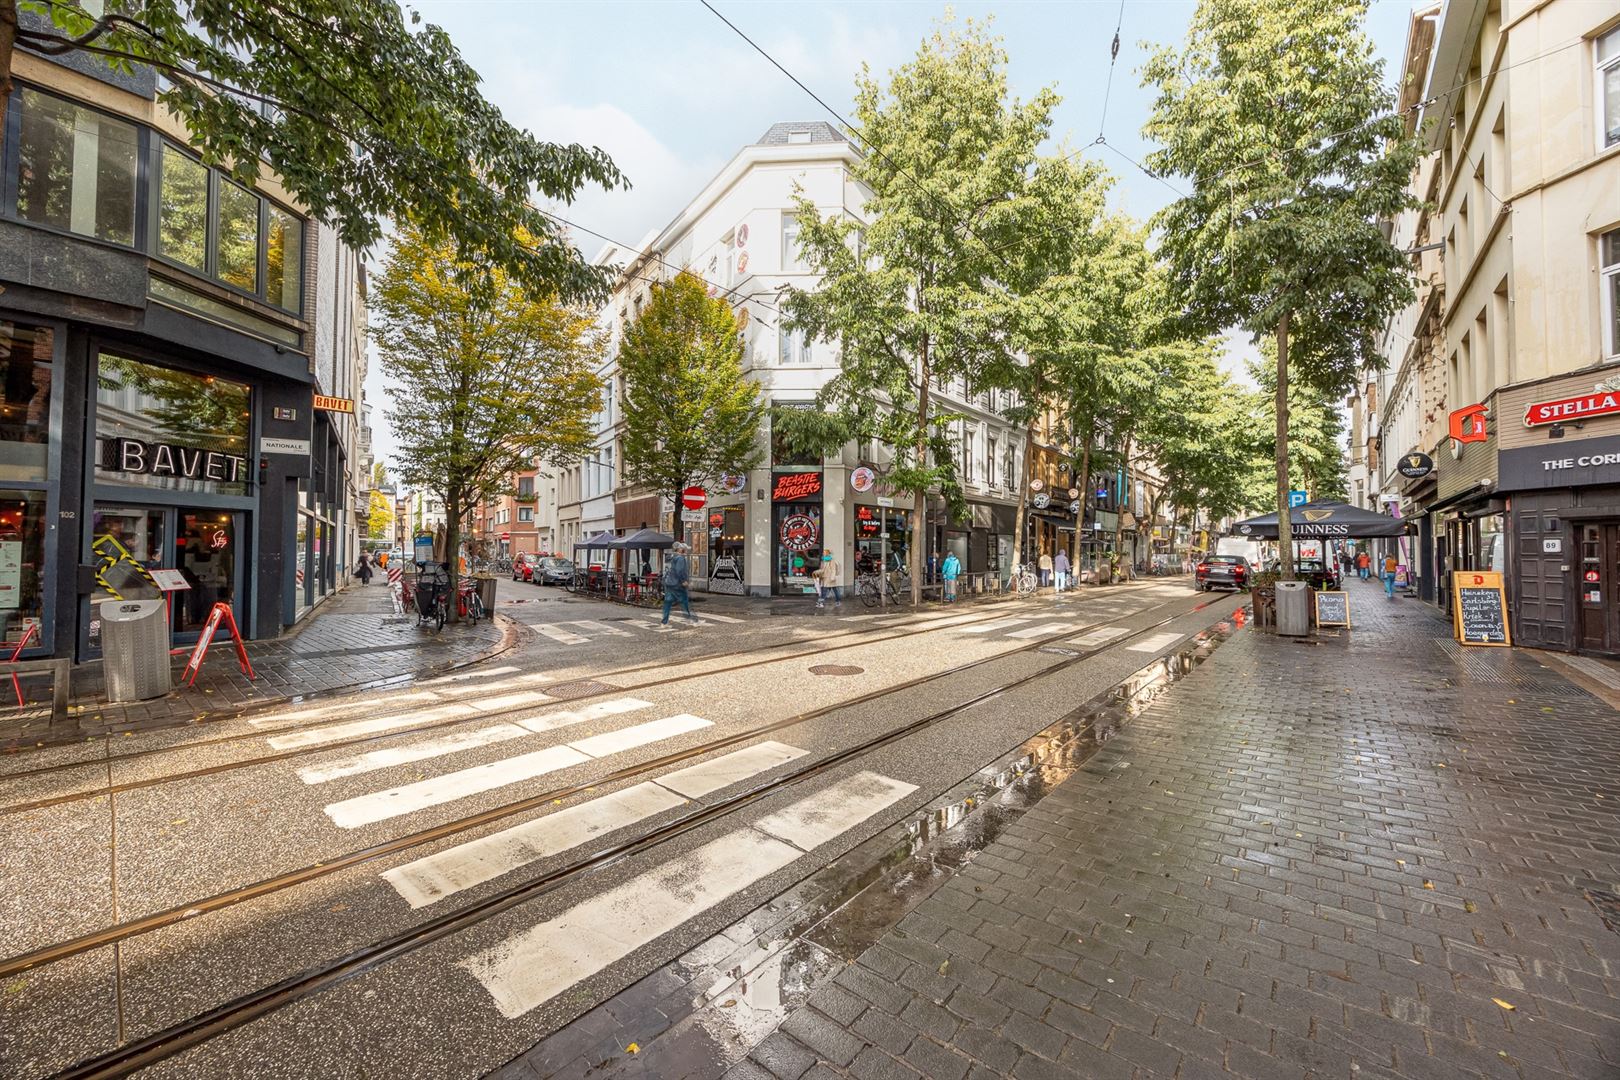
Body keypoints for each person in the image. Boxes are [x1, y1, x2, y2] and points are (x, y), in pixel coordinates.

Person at [661, 542, 698, 625]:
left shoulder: (672, 557)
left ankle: (664, 622)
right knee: (685, 602)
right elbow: (679, 571)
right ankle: (690, 620)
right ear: (681, 550)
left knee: (667, 603)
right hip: (678, 585)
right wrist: (683, 581)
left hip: (669, 583)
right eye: (685, 549)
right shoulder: (681, 558)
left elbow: (669, 570)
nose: (686, 551)